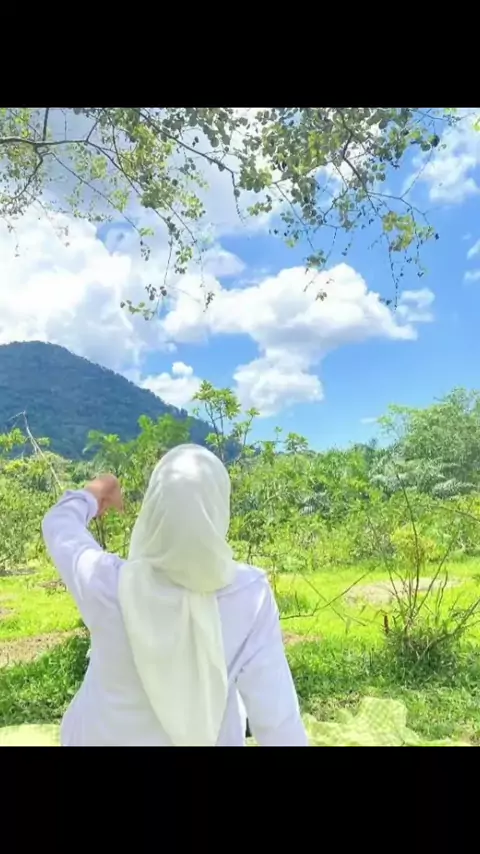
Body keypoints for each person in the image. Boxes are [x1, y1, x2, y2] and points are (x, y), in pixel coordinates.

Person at [42, 443, 308, 747]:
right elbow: (278, 721)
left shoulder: (107, 582)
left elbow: (59, 526)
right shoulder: (249, 594)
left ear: (154, 509)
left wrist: (94, 492)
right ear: (218, 509)